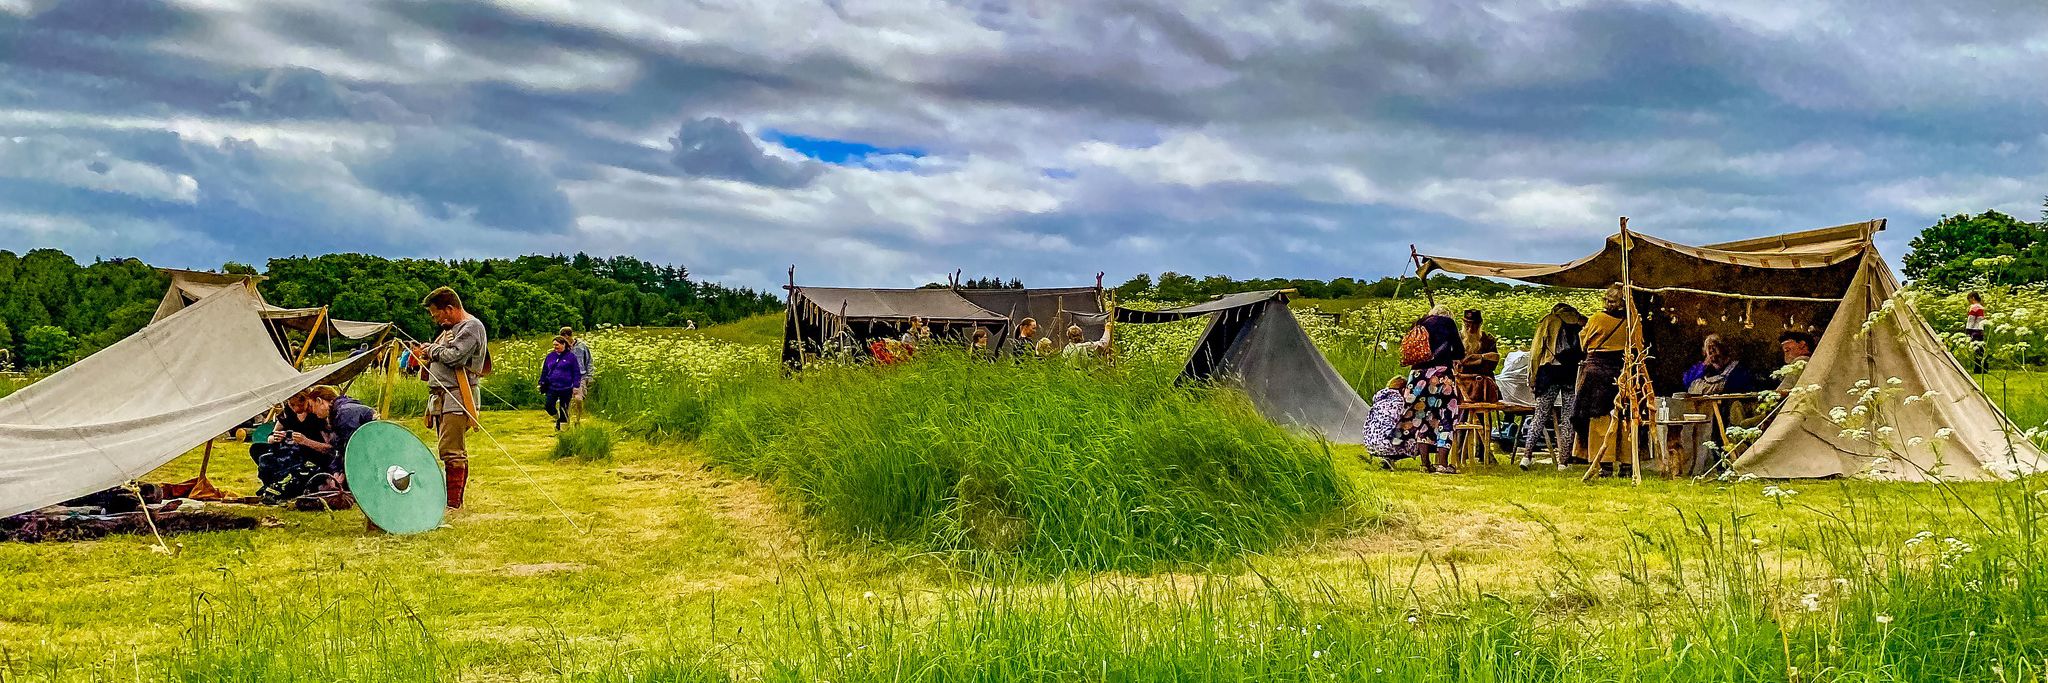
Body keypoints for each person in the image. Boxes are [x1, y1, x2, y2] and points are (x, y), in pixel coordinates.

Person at [411, 286, 488, 510]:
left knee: (452, 450)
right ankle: (452, 502)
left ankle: (454, 505)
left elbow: (454, 356)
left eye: (437, 315)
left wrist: (431, 349)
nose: (436, 320)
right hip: (442, 397)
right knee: (447, 449)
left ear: (450, 308)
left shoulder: (471, 326)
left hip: (458, 396)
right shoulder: (450, 329)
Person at [1569, 285, 1640, 467]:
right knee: (1623, 415)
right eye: (1607, 300)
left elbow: (1583, 343)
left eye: (1612, 301)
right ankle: (1626, 462)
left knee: (1599, 416)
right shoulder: (1632, 322)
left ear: (1621, 302)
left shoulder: (1597, 318)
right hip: (1623, 370)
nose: (1608, 304)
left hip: (1598, 371)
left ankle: (1603, 462)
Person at [1518, 303, 1586, 468]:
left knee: (1540, 414)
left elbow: (1536, 352)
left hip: (1549, 372)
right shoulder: (1581, 321)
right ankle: (1563, 461)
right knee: (1568, 418)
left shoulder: (1549, 321)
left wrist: (1532, 376)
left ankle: (1526, 456)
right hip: (1571, 372)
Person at [1400, 306, 1465, 474]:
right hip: (1440, 375)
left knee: (1423, 417)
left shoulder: (1420, 323)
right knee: (1446, 416)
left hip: (1416, 377)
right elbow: (1459, 351)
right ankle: (1443, 464)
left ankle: (1425, 464)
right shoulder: (1448, 323)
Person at [251, 392, 328, 502]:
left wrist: (305, 441)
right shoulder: (287, 413)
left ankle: (284, 487)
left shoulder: (316, 414)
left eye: (300, 405)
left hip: (310, 452)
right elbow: (271, 436)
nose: (296, 409)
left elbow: (328, 447)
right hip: (289, 449)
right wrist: (277, 437)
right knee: (259, 451)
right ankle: (271, 485)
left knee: (292, 460)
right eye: (292, 405)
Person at [1682, 334, 1751, 395]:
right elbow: (1688, 384)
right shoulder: (1704, 369)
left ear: (1723, 349)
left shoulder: (1737, 369)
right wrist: (1703, 365)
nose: (1711, 349)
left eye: (1715, 345)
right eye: (1708, 347)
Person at [1456, 309, 1501, 403]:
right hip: (1461, 381)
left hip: (1481, 384)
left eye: (1475, 326)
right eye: (1468, 325)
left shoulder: (1488, 341)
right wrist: (1479, 360)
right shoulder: (1457, 339)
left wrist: (1474, 360)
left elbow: (1491, 364)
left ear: (1480, 325)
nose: (1471, 329)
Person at [1363, 376, 1409, 466]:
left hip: (1370, 444)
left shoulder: (1379, 401)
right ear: (1403, 389)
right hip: (1388, 445)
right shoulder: (1400, 403)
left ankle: (1383, 457)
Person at [539, 335, 583, 431]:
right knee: (548, 406)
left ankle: (563, 432)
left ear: (563, 344)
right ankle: (558, 419)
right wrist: (541, 382)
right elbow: (545, 370)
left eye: (557, 345)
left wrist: (576, 386)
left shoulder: (571, 357)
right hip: (552, 387)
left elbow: (576, 372)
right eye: (554, 345)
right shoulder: (550, 356)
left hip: (566, 387)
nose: (555, 347)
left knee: (564, 409)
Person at [1965, 291, 1988, 372]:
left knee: (1976, 349)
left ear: (1973, 298)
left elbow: (1971, 320)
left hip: (1974, 330)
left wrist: (1968, 330)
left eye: (1970, 299)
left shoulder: (1974, 307)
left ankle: (1978, 368)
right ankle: (1984, 367)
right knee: (1981, 349)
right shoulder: (1981, 307)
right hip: (1980, 330)